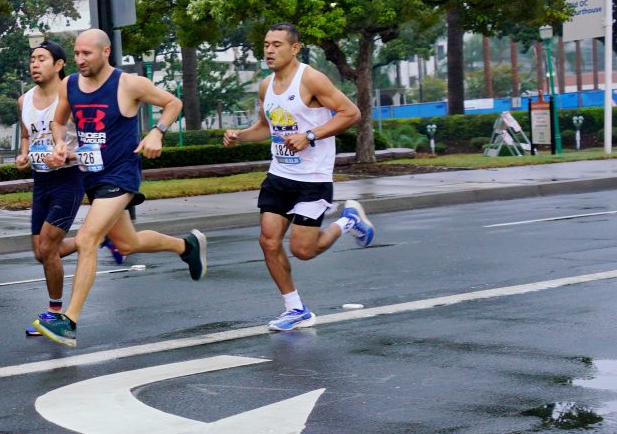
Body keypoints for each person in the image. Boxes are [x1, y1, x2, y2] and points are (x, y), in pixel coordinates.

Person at [30, 29, 207, 348]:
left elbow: (172, 103)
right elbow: (59, 120)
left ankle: (68, 321)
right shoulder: (71, 84)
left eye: (87, 53)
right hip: (92, 176)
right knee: (127, 243)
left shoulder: (128, 84)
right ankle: (187, 247)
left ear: (105, 52)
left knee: (87, 239)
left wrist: (157, 132)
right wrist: (59, 144)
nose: (80, 60)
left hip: (122, 174)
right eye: (77, 53)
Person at [223, 23, 376, 330]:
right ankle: (295, 309)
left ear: (294, 49)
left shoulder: (311, 79)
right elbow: (267, 127)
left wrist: (310, 135)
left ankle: (348, 222)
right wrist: (240, 135)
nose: (269, 50)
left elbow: (351, 113)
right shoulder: (266, 86)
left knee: (303, 250)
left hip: (313, 178)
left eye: (277, 44)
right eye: (266, 44)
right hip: (279, 174)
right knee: (268, 241)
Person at [15, 39, 83, 331]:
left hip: (70, 177)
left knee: (47, 246)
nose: (34, 64)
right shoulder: (24, 100)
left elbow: (93, 138)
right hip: (41, 180)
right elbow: (26, 136)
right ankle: (91, 240)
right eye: (32, 59)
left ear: (59, 65)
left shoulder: (74, 96)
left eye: (42, 59)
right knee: (40, 253)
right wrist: (23, 154)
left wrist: (68, 153)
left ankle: (55, 313)